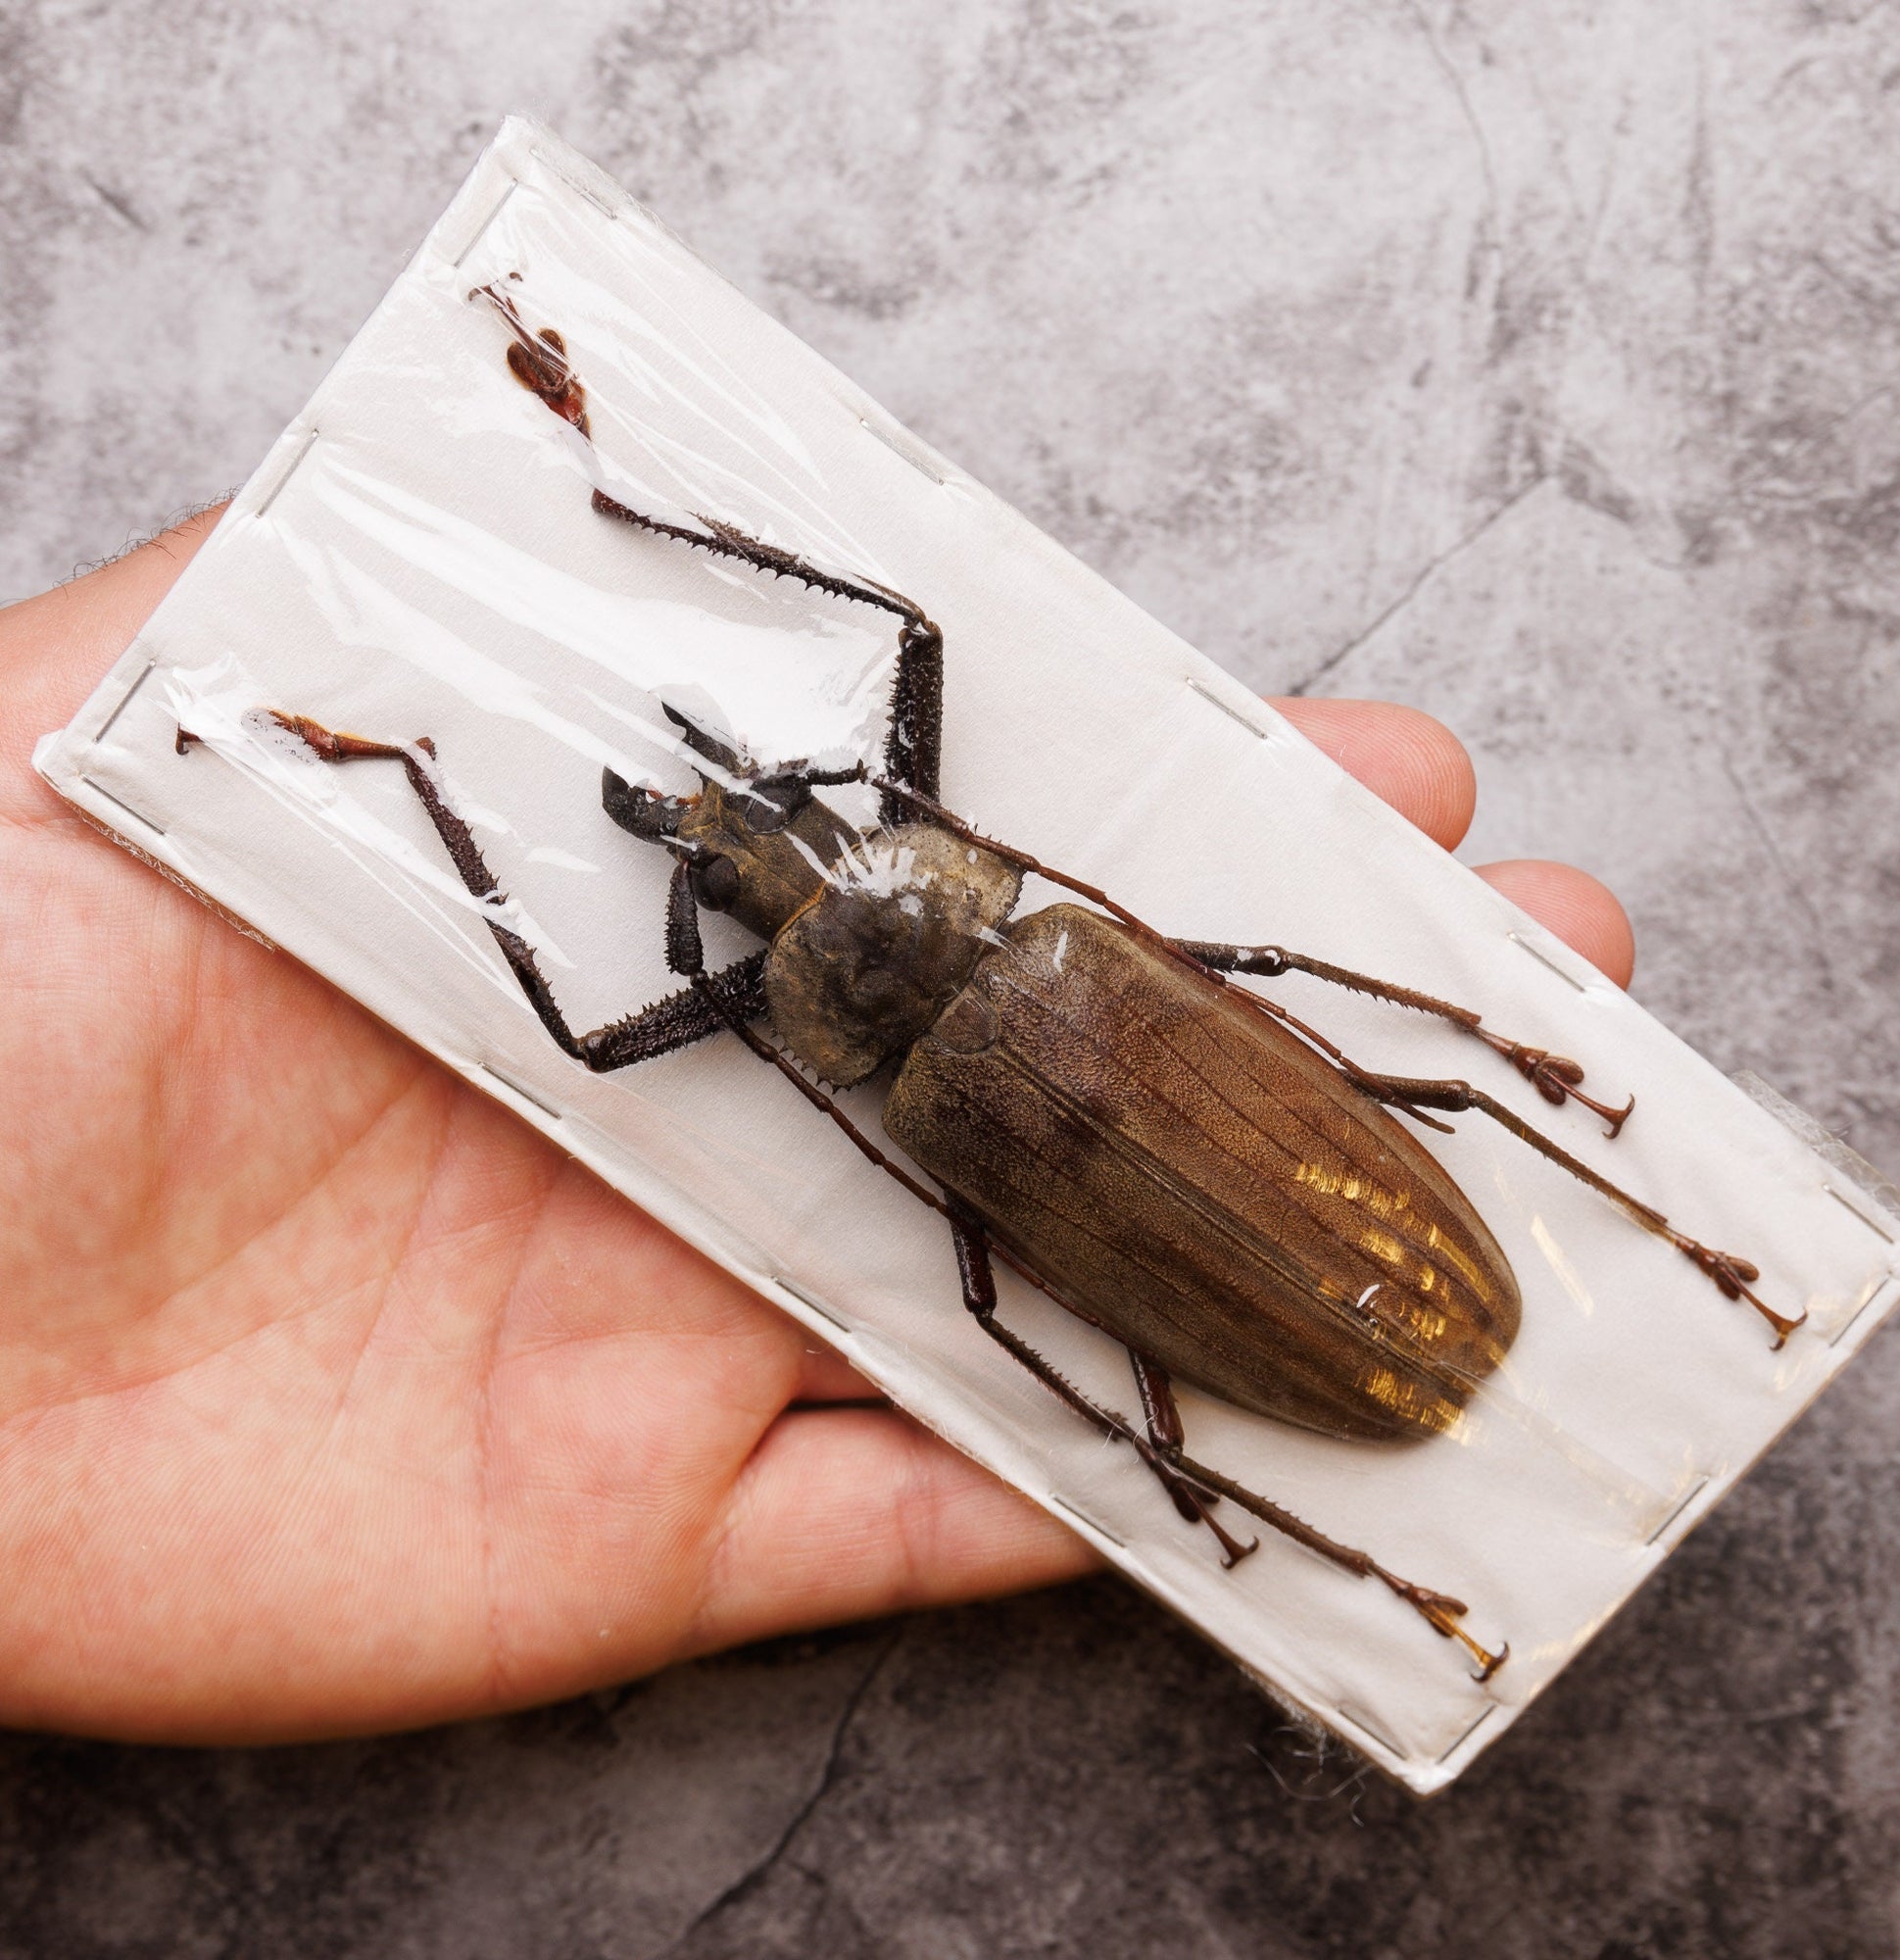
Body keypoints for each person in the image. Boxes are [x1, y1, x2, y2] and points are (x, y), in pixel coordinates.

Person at [0, 511, 1633, 1742]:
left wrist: (423, 778)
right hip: (1333, 1255)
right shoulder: (1049, 937)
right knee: (1385, 1063)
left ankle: (1385, 1576)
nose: (730, 841)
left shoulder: (905, 1059)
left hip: (1318, 1291)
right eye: (732, 860)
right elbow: (911, 632)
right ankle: (1610, 1229)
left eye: (733, 851)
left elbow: (584, 1036)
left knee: (1034, 1324)